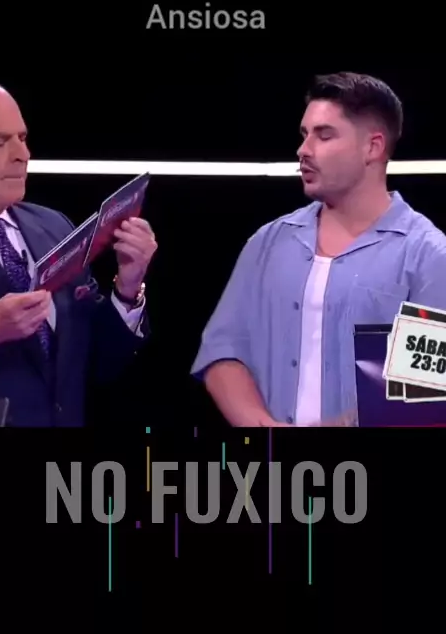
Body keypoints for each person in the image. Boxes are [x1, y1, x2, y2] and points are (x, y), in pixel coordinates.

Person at [191, 71, 446, 427]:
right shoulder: (266, 243)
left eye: (324, 135)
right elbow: (223, 351)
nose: (304, 150)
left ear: (372, 147)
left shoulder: (429, 256)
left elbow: (423, 391)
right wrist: (267, 432)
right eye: (304, 134)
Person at [0, 80, 157, 426]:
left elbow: (98, 361)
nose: (22, 154)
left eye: (22, 138)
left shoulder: (53, 226)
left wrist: (128, 287)